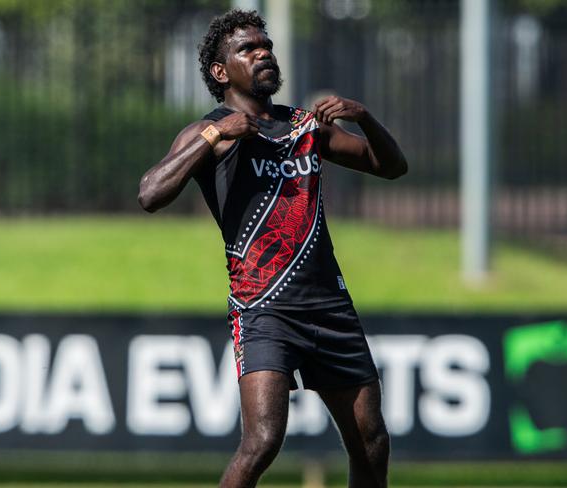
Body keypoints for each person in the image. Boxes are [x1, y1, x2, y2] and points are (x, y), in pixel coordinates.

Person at [138, 9, 407, 488]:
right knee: (262, 441)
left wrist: (363, 117)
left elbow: (391, 168)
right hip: (264, 309)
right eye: (248, 48)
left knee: (372, 442)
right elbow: (150, 194)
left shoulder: (304, 126)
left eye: (266, 46)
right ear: (222, 72)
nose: (263, 53)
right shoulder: (209, 131)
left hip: (330, 305)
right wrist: (215, 134)